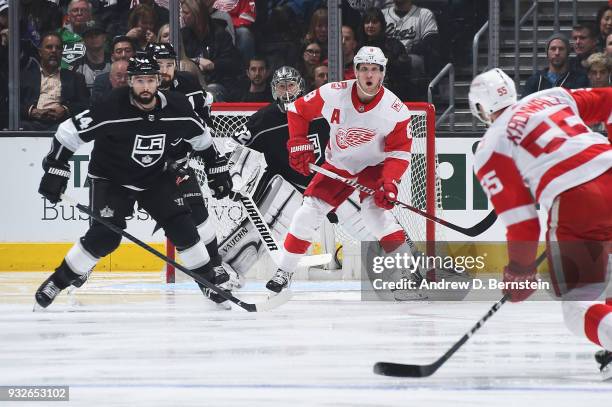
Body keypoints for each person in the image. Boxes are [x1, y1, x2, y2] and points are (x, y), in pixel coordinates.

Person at [34, 55, 234, 308]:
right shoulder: (110, 107)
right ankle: (57, 281)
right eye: (140, 80)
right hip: (111, 179)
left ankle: (209, 283)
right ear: (130, 81)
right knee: (104, 237)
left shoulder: (177, 107)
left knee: (183, 227)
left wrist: (216, 167)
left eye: (151, 80)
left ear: (158, 81)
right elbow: (68, 133)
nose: (146, 86)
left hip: (154, 177)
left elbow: (202, 138)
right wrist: (55, 169)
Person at [468, 68, 612, 379]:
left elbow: (523, 223)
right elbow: (609, 101)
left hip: (578, 202)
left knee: (578, 308)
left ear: (480, 109)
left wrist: (520, 271)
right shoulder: (551, 97)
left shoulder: (490, 145)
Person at [265, 47, 415, 293]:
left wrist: (389, 182)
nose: (369, 75)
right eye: (364, 69)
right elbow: (298, 111)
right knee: (308, 212)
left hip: (374, 167)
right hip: (339, 165)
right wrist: (298, 144)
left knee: (374, 214)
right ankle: (285, 271)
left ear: (382, 74)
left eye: (375, 70)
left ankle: (408, 270)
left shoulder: (395, 111)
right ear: (355, 71)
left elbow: (398, 153)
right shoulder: (333, 94)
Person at [218, 66, 333, 280]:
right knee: (264, 226)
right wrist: (232, 173)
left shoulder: (322, 112)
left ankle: (399, 264)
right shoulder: (265, 119)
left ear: (301, 87)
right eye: (281, 86)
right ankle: (227, 269)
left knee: (365, 216)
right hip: (285, 184)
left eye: (291, 85)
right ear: (273, 90)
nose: (287, 91)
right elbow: (232, 146)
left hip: (326, 183)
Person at [20, 31, 89, 131]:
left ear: (62, 52)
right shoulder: (25, 77)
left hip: (62, 125)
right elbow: (12, 105)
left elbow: (85, 105)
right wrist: (32, 111)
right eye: (49, 47)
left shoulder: (75, 78)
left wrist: (65, 110)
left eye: (58, 48)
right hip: (31, 124)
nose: (54, 51)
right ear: (40, 52)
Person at [359, 7, 412, 100]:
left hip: (392, 95)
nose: (370, 25)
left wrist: (387, 60)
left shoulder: (394, 45)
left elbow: (404, 71)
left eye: (374, 22)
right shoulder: (359, 47)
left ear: (382, 25)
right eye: (367, 22)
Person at [382, 0, 440, 77]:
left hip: (412, 71)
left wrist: (403, 52)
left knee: (413, 61)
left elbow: (429, 43)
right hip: (385, 63)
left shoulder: (424, 14)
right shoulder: (382, 14)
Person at [522, 33, 590, 98]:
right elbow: (524, 106)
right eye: (553, 49)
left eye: (561, 49)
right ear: (547, 53)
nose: (557, 53)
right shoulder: (535, 80)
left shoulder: (579, 80)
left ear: (567, 52)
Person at [90, 35, 136, 103]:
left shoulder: (142, 78)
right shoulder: (101, 81)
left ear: (134, 55)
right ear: (112, 57)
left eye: (128, 51)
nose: (123, 55)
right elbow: (96, 105)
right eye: (119, 51)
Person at [70, 20, 111, 94]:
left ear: (104, 37)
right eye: (89, 35)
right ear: (84, 40)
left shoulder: (114, 62)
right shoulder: (75, 66)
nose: (93, 37)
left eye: (97, 34)